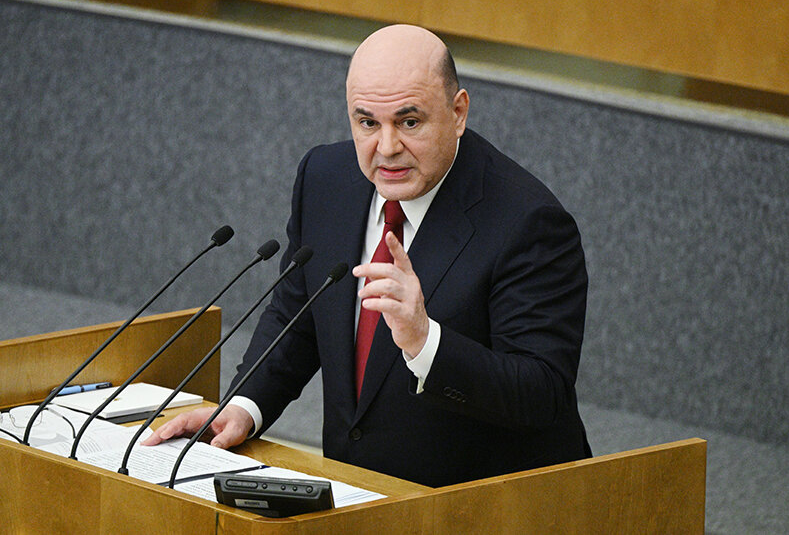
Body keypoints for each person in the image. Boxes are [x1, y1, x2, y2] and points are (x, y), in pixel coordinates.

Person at [144, 24, 591, 487]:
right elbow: (298, 313)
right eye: (368, 123)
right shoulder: (325, 177)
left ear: (458, 112)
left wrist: (425, 342)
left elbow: (541, 393)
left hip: (478, 502)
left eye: (409, 122)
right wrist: (242, 407)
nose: (387, 148)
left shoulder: (528, 222)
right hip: (355, 490)